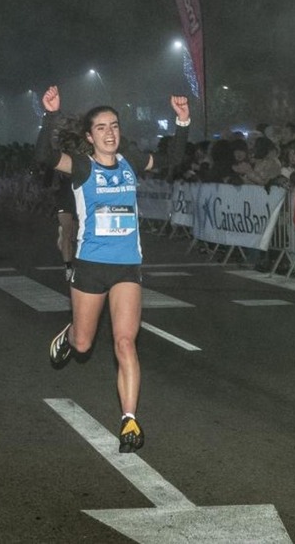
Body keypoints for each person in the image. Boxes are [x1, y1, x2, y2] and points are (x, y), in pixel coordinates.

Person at [37, 84, 190, 453]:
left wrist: (182, 121)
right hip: (90, 266)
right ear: (89, 137)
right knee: (85, 343)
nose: (110, 133)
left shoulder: (130, 162)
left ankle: (129, 420)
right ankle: (70, 333)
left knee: (125, 342)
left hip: (127, 267)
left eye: (115, 126)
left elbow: (170, 162)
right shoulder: (81, 165)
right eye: (102, 127)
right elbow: (44, 155)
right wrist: (50, 115)